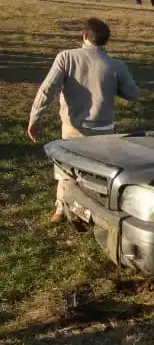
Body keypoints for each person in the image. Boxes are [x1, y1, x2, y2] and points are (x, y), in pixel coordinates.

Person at [26, 18, 140, 222]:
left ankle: (61, 208)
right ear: (106, 41)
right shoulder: (116, 65)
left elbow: (47, 90)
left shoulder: (66, 58)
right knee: (97, 173)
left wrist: (35, 118)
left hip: (73, 128)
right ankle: (95, 210)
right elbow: (132, 93)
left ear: (85, 35)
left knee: (65, 169)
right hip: (104, 130)